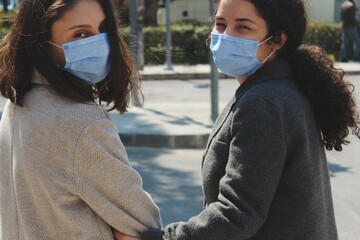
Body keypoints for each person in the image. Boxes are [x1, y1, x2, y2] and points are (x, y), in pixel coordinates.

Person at [116, 0, 360, 239]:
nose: (226, 36)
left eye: (243, 27)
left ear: (278, 40)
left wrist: (163, 237)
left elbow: (238, 214)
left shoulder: (263, 103)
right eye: (220, 24)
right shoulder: (280, 86)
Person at [0, 0, 163, 239]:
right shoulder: (81, 122)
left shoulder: (17, 105)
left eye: (103, 29)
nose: (99, 43)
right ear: (41, 41)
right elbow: (142, 226)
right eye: (81, 33)